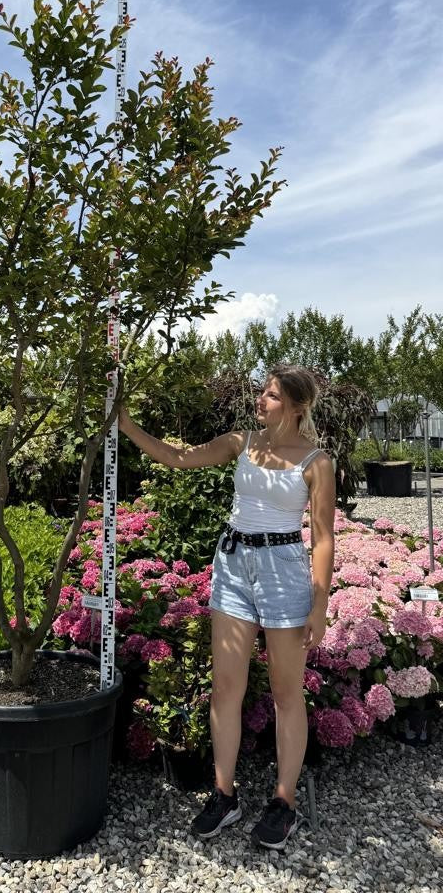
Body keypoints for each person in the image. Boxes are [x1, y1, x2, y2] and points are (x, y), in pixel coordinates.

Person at [118, 363, 335, 850]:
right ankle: (223, 793)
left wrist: (319, 603)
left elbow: (323, 539)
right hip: (234, 565)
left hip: (284, 572)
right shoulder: (243, 442)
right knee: (225, 688)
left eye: (273, 395)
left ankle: (284, 801)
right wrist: (128, 425)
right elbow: (178, 458)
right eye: (263, 391)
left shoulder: (317, 462)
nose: (261, 399)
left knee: (285, 694)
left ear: (297, 405)